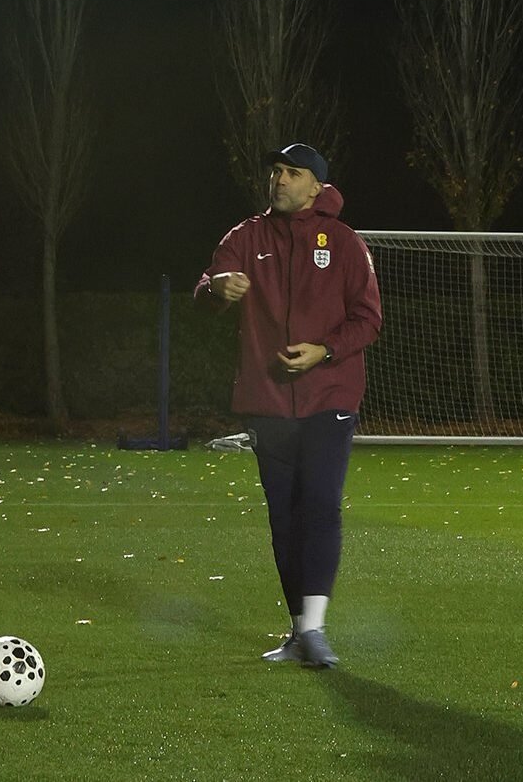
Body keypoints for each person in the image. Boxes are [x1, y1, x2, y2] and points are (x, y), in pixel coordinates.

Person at [194, 143, 382, 669]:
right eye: (276, 171)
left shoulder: (343, 243)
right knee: (284, 517)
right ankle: (299, 632)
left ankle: (316, 629)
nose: (279, 180)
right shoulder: (245, 236)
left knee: (319, 503)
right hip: (268, 402)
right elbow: (204, 290)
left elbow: (369, 319)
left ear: (316, 187)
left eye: (292, 173)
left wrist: (325, 351)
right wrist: (216, 289)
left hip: (330, 398)